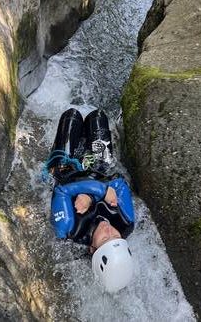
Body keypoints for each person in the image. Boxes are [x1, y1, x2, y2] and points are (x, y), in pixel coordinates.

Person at [46, 108, 135, 293]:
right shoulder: (126, 222)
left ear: (92, 249)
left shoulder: (69, 229)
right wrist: (96, 193)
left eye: (105, 238)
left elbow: (62, 191)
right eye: (116, 237)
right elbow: (119, 183)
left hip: (68, 171)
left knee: (72, 116)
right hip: (98, 171)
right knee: (98, 116)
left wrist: (97, 193)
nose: (109, 231)